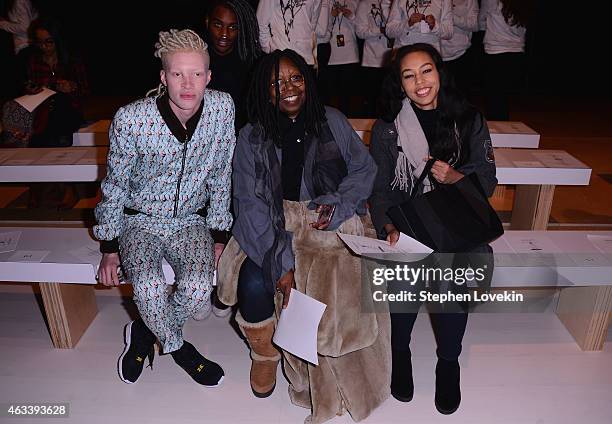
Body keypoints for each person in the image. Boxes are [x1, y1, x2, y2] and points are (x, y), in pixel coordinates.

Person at [217, 49, 389, 422]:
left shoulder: (332, 120)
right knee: (253, 282)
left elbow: (364, 169)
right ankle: (264, 355)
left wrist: (339, 205)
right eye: (276, 82)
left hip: (326, 219)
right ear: (265, 91)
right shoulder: (251, 137)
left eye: (296, 78)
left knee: (345, 280)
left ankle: (346, 370)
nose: (288, 88)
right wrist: (281, 265)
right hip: (271, 224)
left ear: (308, 81)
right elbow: (250, 204)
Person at [94, 29, 234, 387]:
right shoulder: (131, 119)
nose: (188, 84)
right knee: (148, 286)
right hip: (139, 221)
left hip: (191, 221)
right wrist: (110, 246)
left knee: (200, 287)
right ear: (163, 77)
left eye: (197, 74)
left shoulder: (222, 108)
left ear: (209, 76)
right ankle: (179, 348)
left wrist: (219, 233)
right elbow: (115, 186)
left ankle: (143, 332)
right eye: (177, 74)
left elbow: (221, 174)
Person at [369, 43, 497, 414]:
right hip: (409, 221)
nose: (420, 82)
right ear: (400, 83)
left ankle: (448, 362)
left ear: (440, 72)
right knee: (405, 271)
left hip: (454, 222)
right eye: (409, 75)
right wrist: (388, 226)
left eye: (426, 71)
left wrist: (456, 177)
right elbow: (379, 193)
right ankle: (400, 353)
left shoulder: (468, 118)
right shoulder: (387, 128)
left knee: (450, 272)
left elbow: (487, 182)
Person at [202, 0, 262, 131]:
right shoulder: (192, 56)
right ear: (207, 22)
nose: (224, 34)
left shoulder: (253, 63)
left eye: (233, 27)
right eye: (218, 25)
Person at [479, 0, 535, 120]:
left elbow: (480, 23)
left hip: (496, 53)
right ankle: (502, 132)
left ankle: (498, 135)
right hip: (517, 55)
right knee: (502, 100)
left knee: (494, 102)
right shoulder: (523, 4)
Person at [256, 0, 327, 66]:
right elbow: (260, 23)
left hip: (306, 59)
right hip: (281, 56)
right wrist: (269, 48)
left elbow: (312, 24)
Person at [354, 0, 393, 116]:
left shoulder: (396, 3)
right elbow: (360, 32)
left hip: (392, 58)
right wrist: (380, 30)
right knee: (371, 100)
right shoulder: (365, 4)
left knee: (391, 99)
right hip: (372, 61)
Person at [441, 0, 479, 98]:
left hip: (461, 53)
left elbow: (474, 25)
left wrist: (450, 17)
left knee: (462, 96)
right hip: (438, 53)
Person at [386, 0, 453, 51]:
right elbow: (389, 32)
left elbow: (449, 33)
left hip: (431, 53)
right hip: (404, 51)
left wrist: (435, 26)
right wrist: (408, 24)